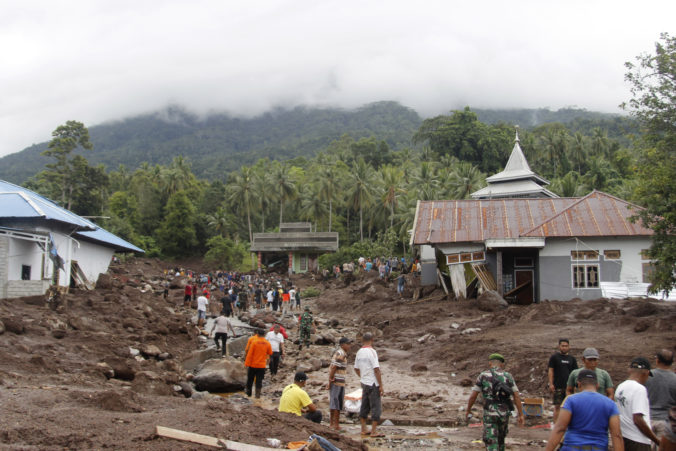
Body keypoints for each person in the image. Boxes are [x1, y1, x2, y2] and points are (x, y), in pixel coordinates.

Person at [545, 369, 624, 451]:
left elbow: (560, 428)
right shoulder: (610, 404)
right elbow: (616, 435)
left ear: (579, 384)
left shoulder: (571, 400)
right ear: (597, 385)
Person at [465, 353, 525, 451]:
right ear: (502, 364)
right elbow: (516, 396)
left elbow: (473, 396)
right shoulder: (508, 376)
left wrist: (468, 410)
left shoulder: (483, 376)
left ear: (490, 363)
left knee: (491, 442)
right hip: (504, 414)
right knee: (501, 441)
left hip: (490, 414)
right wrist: (521, 414)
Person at [616, 357, 660, 450]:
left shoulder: (620, 387)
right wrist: (656, 440)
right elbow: (638, 419)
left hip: (624, 437)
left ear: (629, 370)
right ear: (646, 373)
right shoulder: (639, 389)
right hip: (638, 441)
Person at [354, 332, 384, 437]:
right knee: (376, 407)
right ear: (372, 340)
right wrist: (381, 385)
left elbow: (356, 368)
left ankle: (363, 428)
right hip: (373, 382)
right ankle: (373, 431)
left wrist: (362, 377)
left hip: (364, 382)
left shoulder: (359, 352)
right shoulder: (372, 352)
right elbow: (377, 369)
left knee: (365, 405)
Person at [646, 350, 676, 443]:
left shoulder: (646, 376)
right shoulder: (674, 378)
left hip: (647, 420)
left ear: (657, 360)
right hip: (666, 422)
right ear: (672, 362)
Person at [548, 338, 578, 423]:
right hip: (558, 386)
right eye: (562, 346)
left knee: (570, 407)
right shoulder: (554, 357)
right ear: (559, 346)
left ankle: (568, 425)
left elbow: (575, 373)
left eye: (566, 346)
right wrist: (551, 384)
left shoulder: (572, 359)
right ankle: (556, 426)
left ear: (569, 347)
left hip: (569, 388)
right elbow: (551, 370)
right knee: (557, 406)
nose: (564, 348)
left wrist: (575, 386)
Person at [327, 337, 352, 430]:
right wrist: (330, 379)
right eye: (348, 344)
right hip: (337, 381)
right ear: (342, 345)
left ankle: (333, 424)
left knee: (336, 402)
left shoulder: (342, 353)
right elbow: (334, 367)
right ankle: (334, 424)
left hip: (340, 381)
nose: (349, 346)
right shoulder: (341, 354)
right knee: (336, 402)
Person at [244, 329, 272, 398]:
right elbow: (270, 353)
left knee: (250, 379)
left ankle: (249, 394)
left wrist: (246, 364)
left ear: (257, 334)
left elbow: (249, 354)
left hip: (253, 364)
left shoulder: (254, 342)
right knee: (259, 381)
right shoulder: (267, 343)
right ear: (264, 335)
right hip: (262, 365)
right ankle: (257, 395)